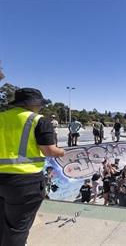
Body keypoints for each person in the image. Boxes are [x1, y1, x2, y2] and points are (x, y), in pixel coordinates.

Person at [0, 88, 65, 246]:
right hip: (24, 182)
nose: (41, 107)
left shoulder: (2, 117)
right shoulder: (38, 120)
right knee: (18, 228)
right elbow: (49, 151)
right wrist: (62, 152)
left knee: (3, 223)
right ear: (32, 104)